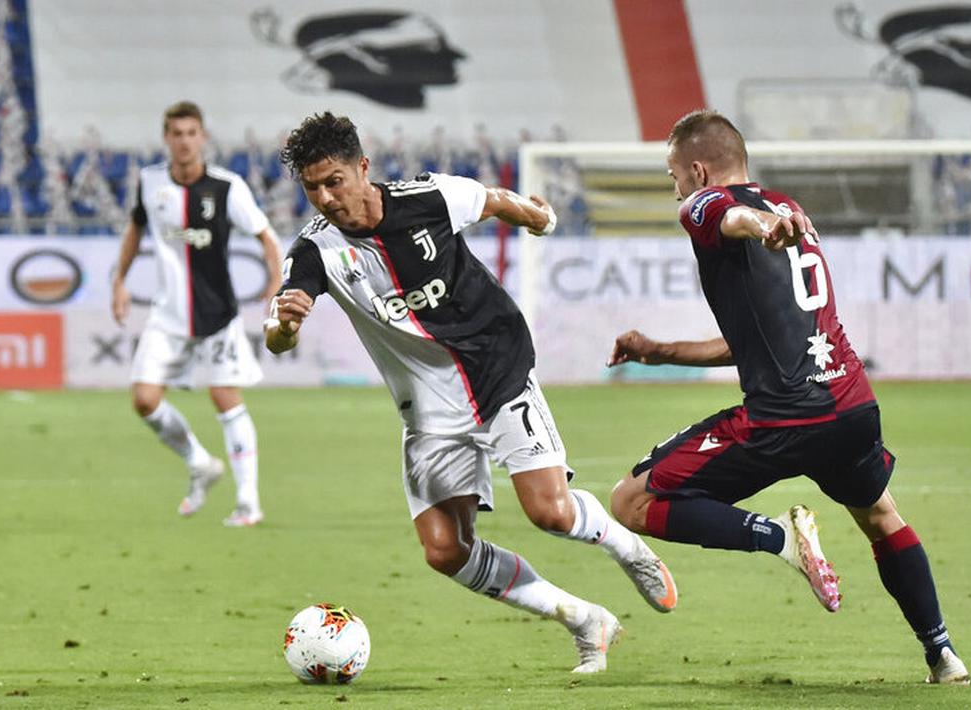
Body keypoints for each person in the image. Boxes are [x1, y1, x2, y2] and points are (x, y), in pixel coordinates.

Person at [268, 112, 676, 674]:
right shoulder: (316, 250)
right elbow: (279, 332)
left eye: (334, 180)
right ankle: (584, 619)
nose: (325, 197)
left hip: (497, 370)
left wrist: (539, 216)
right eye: (312, 187)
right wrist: (285, 327)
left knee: (551, 514)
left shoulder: (430, 197)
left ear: (362, 168)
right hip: (429, 411)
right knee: (444, 550)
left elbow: (494, 200)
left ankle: (626, 546)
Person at [606, 109, 970, 685]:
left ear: (698, 171)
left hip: (783, 420)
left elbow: (729, 217)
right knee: (880, 516)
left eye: (674, 174)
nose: (674, 187)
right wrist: (662, 350)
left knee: (631, 502)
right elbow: (758, 338)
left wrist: (754, 224)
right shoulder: (789, 207)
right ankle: (943, 655)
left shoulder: (706, 206)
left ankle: (778, 537)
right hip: (851, 407)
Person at [112, 101, 282, 526]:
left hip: (217, 313)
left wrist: (275, 283)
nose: (184, 141)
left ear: (203, 138)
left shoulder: (227, 186)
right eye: (176, 133)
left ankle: (248, 503)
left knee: (225, 398)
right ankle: (199, 463)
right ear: (166, 138)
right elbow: (135, 227)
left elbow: (268, 236)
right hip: (168, 315)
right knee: (144, 399)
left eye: (191, 133)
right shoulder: (150, 183)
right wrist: (119, 281)